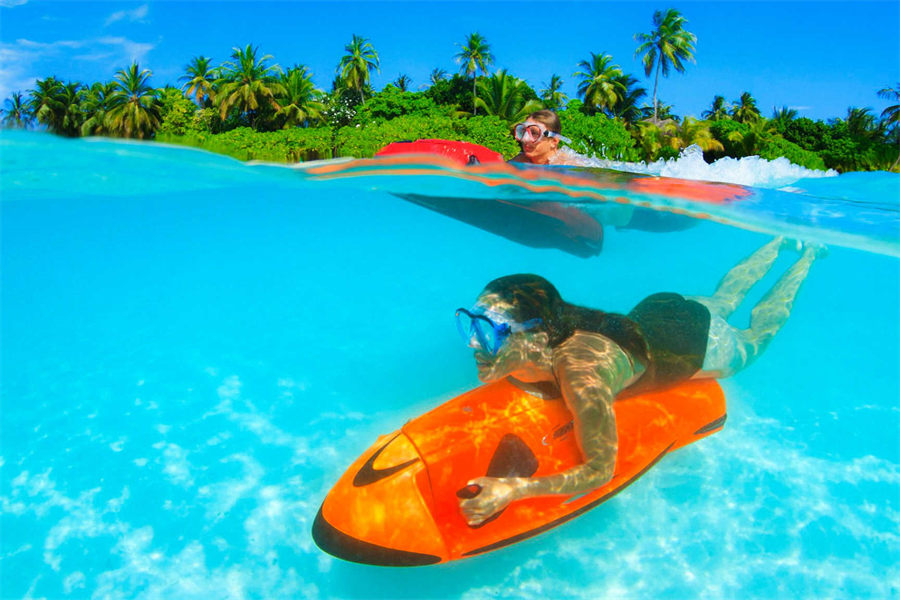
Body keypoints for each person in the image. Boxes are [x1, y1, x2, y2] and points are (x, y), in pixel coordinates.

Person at [455, 237, 822, 526]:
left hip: (696, 343)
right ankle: (780, 242)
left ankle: (806, 258)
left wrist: (514, 489)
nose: (473, 342)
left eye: (488, 331)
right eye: (470, 322)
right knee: (722, 299)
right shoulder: (544, 336)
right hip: (659, 309)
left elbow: (600, 470)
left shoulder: (581, 374)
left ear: (536, 336)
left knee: (758, 335)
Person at [509, 110, 589, 166]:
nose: (525, 139)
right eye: (523, 131)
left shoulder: (566, 165)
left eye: (534, 133)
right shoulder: (520, 160)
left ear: (554, 141)